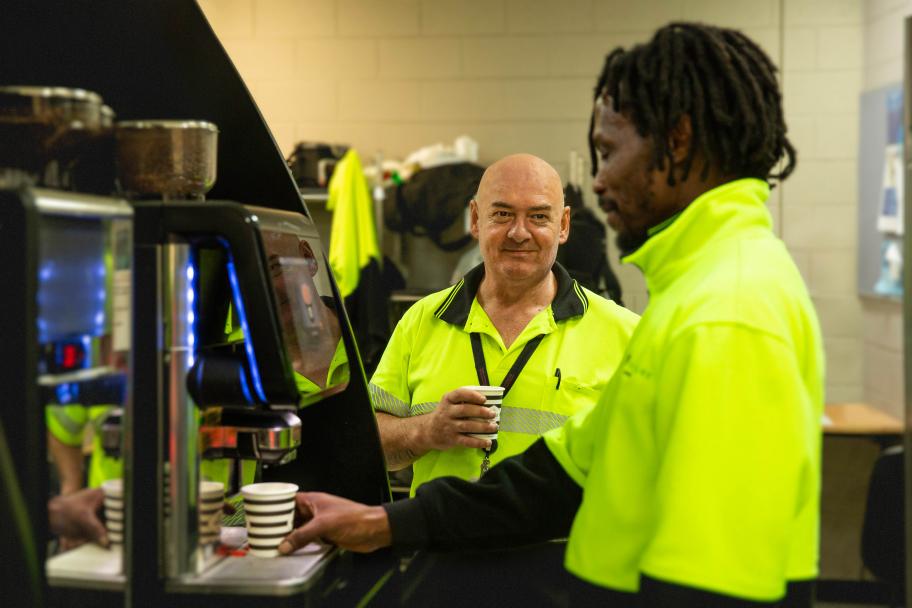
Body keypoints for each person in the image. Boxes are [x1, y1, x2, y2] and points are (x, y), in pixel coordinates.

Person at [278, 22, 823, 607]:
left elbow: (715, 581)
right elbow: (561, 475)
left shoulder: (725, 310)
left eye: (608, 153)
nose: (601, 183)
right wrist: (381, 523)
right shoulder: (697, 292)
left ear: (679, 141)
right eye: (502, 215)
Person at [369, 152, 639, 493]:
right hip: (442, 528)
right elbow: (368, 446)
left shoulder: (624, 333)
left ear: (563, 225)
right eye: (502, 214)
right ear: (475, 219)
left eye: (538, 216)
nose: (519, 232)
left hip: (562, 530)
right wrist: (426, 430)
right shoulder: (422, 321)